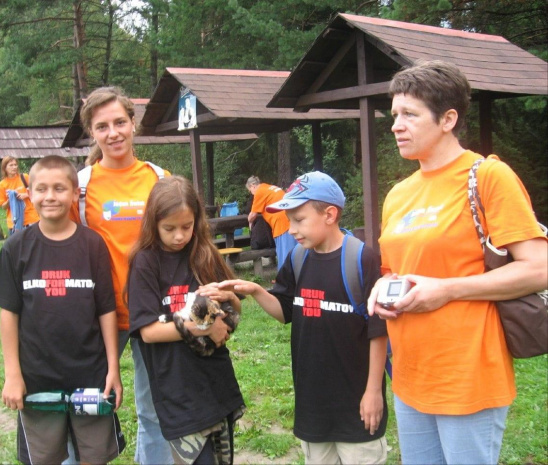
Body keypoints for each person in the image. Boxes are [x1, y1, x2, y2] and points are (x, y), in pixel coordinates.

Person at [367, 60, 548, 465]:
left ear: (448, 118)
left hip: (467, 373)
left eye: (410, 114)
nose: (396, 124)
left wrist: (446, 289)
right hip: (410, 373)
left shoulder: (488, 176)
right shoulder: (398, 194)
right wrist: (384, 286)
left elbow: (539, 268)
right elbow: (395, 268)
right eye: (394, 114)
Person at [221, 171, 389, 465]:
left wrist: (374, 391)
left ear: (330, 214)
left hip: (357, 403)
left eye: (299, 220)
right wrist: (257, 291)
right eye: (289, 221)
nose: (292, 229)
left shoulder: (362, 258)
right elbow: (285, 311)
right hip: (312, 403)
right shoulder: (298, 258)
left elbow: (378, 329)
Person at [0, 155, 124, 464]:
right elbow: (8, 314)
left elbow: (106, 309)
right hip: (36, 378)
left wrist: (113, 368)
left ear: (75, 193)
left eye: (60, 188)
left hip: (91, 375)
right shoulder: (16, 247)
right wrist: (12, 375)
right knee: (44, 458)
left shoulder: (93, 245)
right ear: (29, 193)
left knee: (95, 456)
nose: (50, 196)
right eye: (41, 189)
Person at [71, 86, 173, 464]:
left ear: (134, 124)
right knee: (91, 408)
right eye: (102, 126)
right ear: (92, 133)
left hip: (152, 313)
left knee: (155, 411)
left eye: (119, 122)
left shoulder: (159, 179)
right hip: (99, 315)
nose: (112, 133)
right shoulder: (79, 187)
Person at [127, 175, 245, 464]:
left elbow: (233, 310)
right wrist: (201, 326)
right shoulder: (145, 262)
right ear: (153, 223)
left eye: (186, 227)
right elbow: (150, 333)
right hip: (176, 388)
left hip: (215, 384)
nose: (179, 235)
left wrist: (228, 311)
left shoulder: (204, 254)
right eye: (169, 228)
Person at [245, 176, 297, 269]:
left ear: (252, 185)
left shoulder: (259, 191)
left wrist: (249, 222)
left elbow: (253, 215)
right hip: (291, 219)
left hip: (281, 223)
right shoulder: (269, 187)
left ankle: (284, 279)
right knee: (295, 251)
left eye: (250, 191)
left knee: (284, 252)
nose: (251, 193)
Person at [0, 156, 39, 235]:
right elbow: (3, 206)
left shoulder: (24, 177)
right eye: (11, 165)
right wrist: (10, 200)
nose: (14, 167)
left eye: (15, 165)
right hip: (14, 223)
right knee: (17, 247)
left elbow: (38, 191)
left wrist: (26, 195)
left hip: (31, 219)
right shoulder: (2, 184)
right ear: (4, 168)